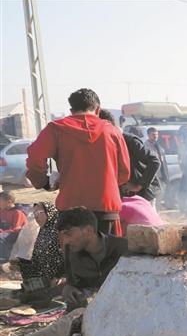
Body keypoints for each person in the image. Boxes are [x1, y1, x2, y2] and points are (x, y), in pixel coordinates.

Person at [26, 88, 130, 236]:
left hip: (70, 208)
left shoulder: (56, 129)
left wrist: (43, 181)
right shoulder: (113, 131)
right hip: (106, 207)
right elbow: (124, 173)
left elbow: (35, 157)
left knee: (74, 251)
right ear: (98, 109)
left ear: (71, 110)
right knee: (107, 250)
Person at [57, 207, 128, 310]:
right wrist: (69, 288)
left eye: (69, 234)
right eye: (63, 236)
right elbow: (72, 283)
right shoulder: (72, 252)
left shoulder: (122, 248)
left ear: (88, 231)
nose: (65, 241)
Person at [100, 110, 163, 207]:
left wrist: (139, 186)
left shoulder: (130, 141)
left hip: (142, 196)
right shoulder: (105, 142)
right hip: (123, 197)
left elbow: (154, 161)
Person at [18, 202, 65, 297]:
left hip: (58, 277)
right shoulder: (43, 230)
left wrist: (59, 276)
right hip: (43, 275)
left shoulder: (61, 230)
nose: (36, 216)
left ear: (49, 212)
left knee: (34, 295)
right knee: (23, 265)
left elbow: (69, 257)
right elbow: (36, 257)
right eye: (34, 213)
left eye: (39, 212)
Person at [145, 127, 170, 206]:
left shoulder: (158, 145)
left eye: (156, 134)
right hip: (152, 176)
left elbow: (163, 161)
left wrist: (166, 175)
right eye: (153, 134)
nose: (155, 136)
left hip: (161, 175)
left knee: (161, 194)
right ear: (148, 135)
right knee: (152, 197)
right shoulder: (145, 147)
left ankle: (157, 211)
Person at [0, 192, 27, 260]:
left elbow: (16, 229)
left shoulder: (18, 212)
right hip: (4, 232)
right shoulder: (2, 211)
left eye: (0, 201)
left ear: (9, 202)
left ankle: (3, 258)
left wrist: (2, 232)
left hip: (15, 234)